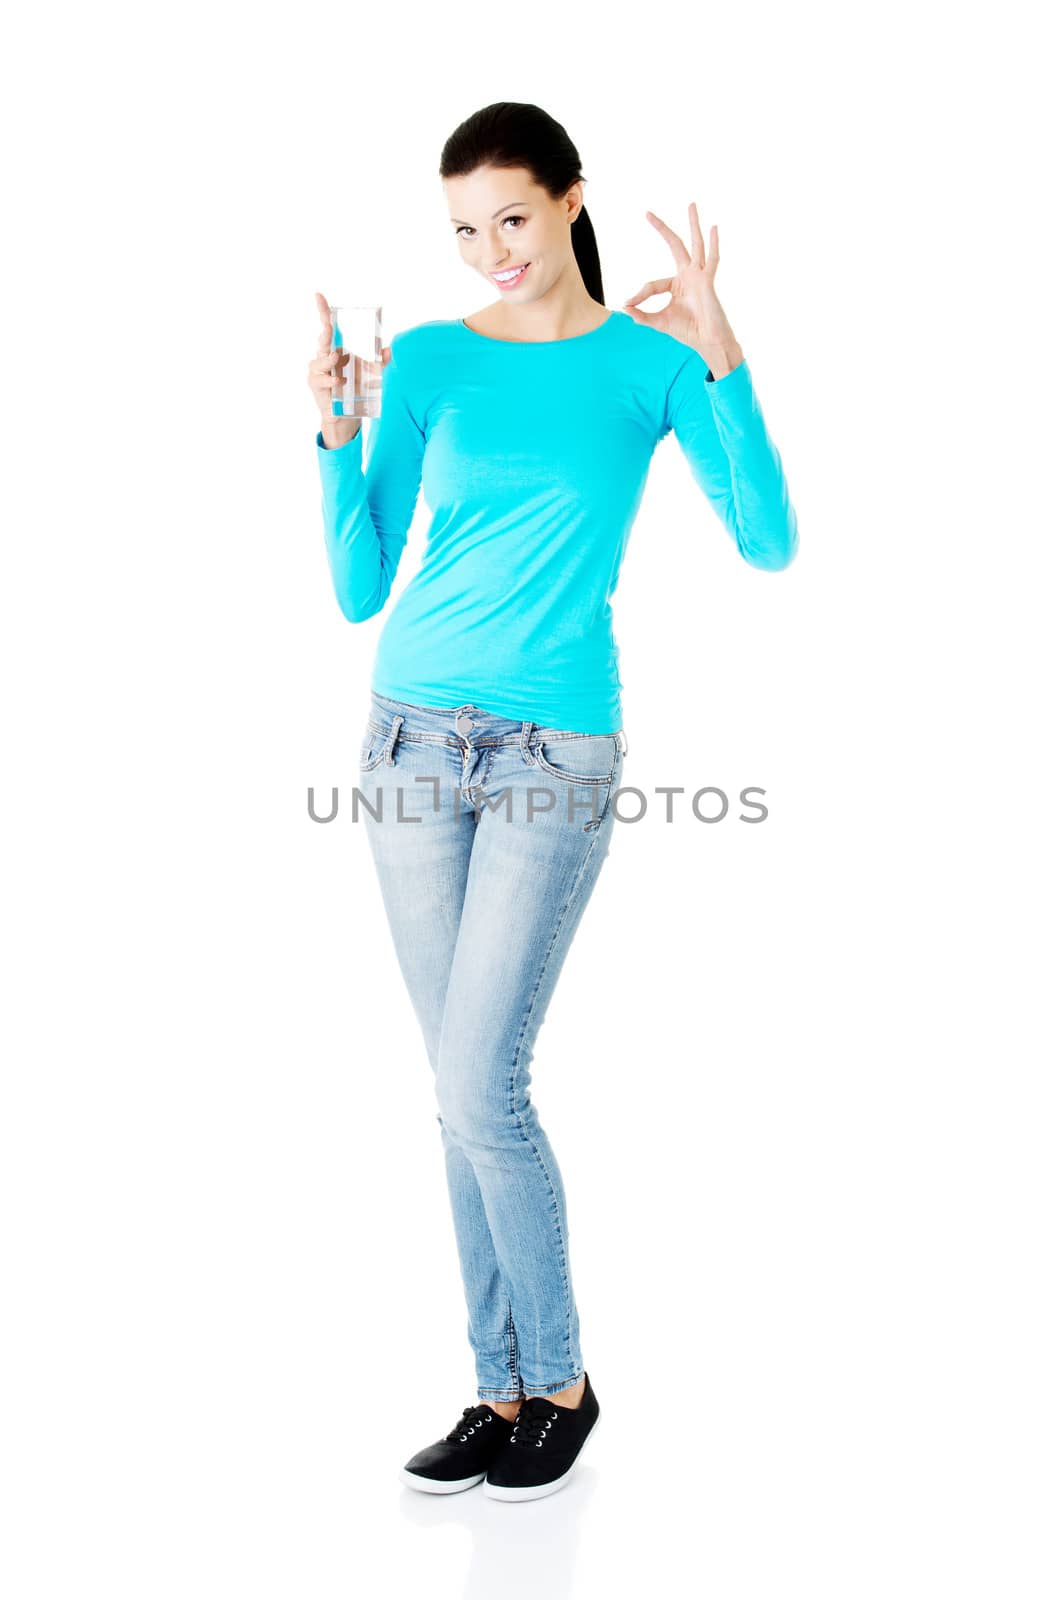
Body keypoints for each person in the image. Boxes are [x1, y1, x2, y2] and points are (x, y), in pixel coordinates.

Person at [307, 101, 798, 1503]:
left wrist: (725, 356)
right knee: (454, 1097)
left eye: (511, 218)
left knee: (481, 1084)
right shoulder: (434, 362)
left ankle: (562, 1379)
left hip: (550, 752)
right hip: (406, 740)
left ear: (572, 200)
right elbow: (358, 587)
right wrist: (337, 440)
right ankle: (496, 1384)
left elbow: (767, 541)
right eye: (463, 231)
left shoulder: (651, 365)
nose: (489, 252)